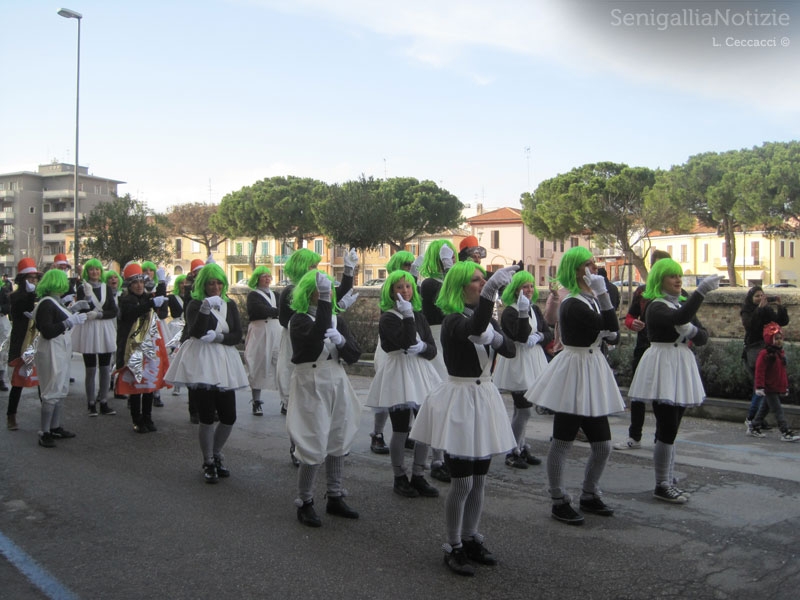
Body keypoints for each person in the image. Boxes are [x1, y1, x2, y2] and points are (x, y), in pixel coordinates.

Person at [410, 261, 518, 576]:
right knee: (462, 481)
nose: (482, 283)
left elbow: (510, 349)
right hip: (460, 400)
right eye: (476, 280)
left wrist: (498, 340)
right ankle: (454, 543)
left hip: (484, 397)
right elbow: (473, 329)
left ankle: (471, 537)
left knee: (480, 478)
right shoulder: (453, 320)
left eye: (483, 279)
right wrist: (490, 295)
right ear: (460, 287)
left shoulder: (485, 319)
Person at [525, 247, 625, 525]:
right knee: (562, 441)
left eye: (593, 262)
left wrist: (603, 304)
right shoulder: (572, 303)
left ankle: (589, 493)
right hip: (574, 371)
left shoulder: (590, 300)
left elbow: (613, 333)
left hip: (593, 368)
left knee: (603, 445)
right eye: (587, 264)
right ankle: (558, 498)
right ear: (575, 269)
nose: (593, 267)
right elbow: (609, 327)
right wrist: (605, 298)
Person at [627, 260, 720, 504]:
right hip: (664, 364)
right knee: (667, 426)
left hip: (679, 363)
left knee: (672, 427)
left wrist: (690, 331)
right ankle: (662, 484)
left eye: (679, 276)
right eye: (671, 277)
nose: (678, 280)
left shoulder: (677, 303)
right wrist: (700, 292)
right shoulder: (656, 306)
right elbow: (680, 317)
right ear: (660, 280)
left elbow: (702, 336)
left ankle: (667, 476)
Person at [288, 270, 362, 527]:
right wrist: (325, 307)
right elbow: (313, 341)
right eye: (319, 292)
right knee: (313, 440)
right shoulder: (298, 321)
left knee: (338, 438)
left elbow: (353, 354)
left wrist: (342, 340)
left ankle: (334, 494)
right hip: (311, 383)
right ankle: (305, 501)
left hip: (336, 380)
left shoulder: (335, 321)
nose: (326, 295)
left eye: (328, 291)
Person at [165, 263, 248, 483]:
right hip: (202, 360)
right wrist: (204, 309)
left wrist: (220, 338)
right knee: (207, 416)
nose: (215, 286)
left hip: (224, 360)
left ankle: (217, 452)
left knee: (229, 416)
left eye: (219, 282)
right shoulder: (194, 304)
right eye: (211, 282)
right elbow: (195, 331)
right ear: (204, 284)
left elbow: (237, 334)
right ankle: (208, 460)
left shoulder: (229, 305)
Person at [365, 270, 440, 498]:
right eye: (399, 287)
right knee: (400, 429)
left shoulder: (419, 316)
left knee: (425, 427)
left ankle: (418, 474)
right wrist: (407, 317)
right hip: (398, 372)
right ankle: (399, 476)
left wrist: (424, 348)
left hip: (420, 373)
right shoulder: (388, 317)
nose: (405, 291)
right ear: (391, 291)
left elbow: (431, 349)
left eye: (408, 287)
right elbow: (405, 343)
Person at [493, 270, 552, 469]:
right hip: (518, 362)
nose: (528, 290)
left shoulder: (534, 308)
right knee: (524, 410)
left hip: (533, 360)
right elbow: (520, 336)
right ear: (515, 289)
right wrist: (523, 314)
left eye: (530, 286)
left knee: (522, 409)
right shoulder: (510, 311)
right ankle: (512, 450)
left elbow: (547, 331)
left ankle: (521, 446)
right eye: (524, 286)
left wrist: (540, 337)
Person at [614, 249, 672, 451]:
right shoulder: (643, 292)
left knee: (662, 395)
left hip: (666, 353)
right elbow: (629, 317)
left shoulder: (679, 296)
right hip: (643, 348)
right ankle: (634, 436)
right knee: (637, 393)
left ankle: (661, 437)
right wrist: (632, 324)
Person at [417, 239, 458, 483]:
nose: (452, 258)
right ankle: (437, 459)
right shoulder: (431, 284)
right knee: (439, 400)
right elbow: (449, 303)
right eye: (447, 256)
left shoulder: (444, 280)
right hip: (437, 339)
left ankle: (445, 454)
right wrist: (448, 271)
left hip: (450, 338)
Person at [368, 250, 416, 455]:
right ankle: (377, 433)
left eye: (410, 265)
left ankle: (406, 433)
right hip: (389, 344)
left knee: (410, 391)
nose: (409, 268)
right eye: (406, 264)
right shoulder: (389, 289)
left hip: (409, 343)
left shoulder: (411, 285)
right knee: (386, 390)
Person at [34, 268, 86, 447]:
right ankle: (45, 431)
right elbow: (48, 330)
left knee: (61, 388)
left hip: (60, 348)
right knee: (52, 389)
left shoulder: (54, 302)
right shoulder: (47, 303)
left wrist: (73, 310)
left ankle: (55, 427)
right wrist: (69, 321)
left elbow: (58, 319)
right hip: (51, 349)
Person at [115, 263, 170, 433]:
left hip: (149, 347)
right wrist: (151, 302)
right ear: (129, 285)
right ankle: (136, 419)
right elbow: (132, 313)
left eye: (141, 282)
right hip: (132, 348)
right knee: (136, 385)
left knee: (149, 384)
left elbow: (162, 312)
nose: (139, 285)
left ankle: (148, 416)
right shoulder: (125, 300)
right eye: (135, 282)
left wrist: (162, 284)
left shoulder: (147, 297)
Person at [72, 258, 118, 417]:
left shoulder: (106, 288)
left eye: (97, 269)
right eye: (91, 269)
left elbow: (114, 311)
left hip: (104, 327)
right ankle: (91, 403)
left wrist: (99, 314)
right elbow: (81, 309)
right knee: (90, 368)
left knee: (105, 368)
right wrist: (86, 299)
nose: (95, 272)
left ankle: (104, 401)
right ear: (87, 272)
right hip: (89, 329)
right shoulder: (82, 288)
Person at [741, 285, 789, 432]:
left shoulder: (767, 310)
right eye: (757, 296)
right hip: (755, 351)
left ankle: (757, 420)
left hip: (770, 350)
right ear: (751, 298)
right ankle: (752, 419)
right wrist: (759, 309)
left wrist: (781, 307)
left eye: (762, 296)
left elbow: (781, 322)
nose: (760, 299)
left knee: (767, 388)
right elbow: (751, 326)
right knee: (760, 386)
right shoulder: (747, 311)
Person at [5, 258, 42, 431]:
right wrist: (29, 295)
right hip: (22, 342)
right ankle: (11, 416)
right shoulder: (15, 297)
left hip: (38, 341)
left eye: (35, 277)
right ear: (21, 279)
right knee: (19, 381)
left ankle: (46, 413)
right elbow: (19, 312)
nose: (33, 280)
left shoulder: (40, 294)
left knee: (43, 378)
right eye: (29, 277)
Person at [749, 322, 800, 441]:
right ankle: (785, 431)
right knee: (778, 410)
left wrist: (785, 386)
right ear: (770, 339)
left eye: (780, 338)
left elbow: (782, 373)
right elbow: (760, 372)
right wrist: (759, 386)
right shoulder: (765, 354)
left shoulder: (780, 354)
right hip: (769, 387)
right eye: (776, 338)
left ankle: (754, 425)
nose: (779, 341)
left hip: (775, 386)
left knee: (764, 408)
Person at [244, 266, 280, 416]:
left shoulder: (276, 294)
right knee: (258, 363)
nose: (267, 279)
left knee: (280, 363)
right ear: (257, 278)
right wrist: (276, 311)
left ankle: (286, 400)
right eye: (264, 276)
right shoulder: (253, 295)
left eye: (268, 276)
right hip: (259, 331)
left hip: (275, 330)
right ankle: (256, 401)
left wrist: (275, 312)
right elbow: (258, 311)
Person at [166, 274, 187, 396]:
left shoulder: (192, 297)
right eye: (181, 283)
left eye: (185, 283)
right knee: (176, 357)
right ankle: (176, 385)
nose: (183, 285)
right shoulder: (173, 298)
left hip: (187, 327)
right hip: (175, 328)